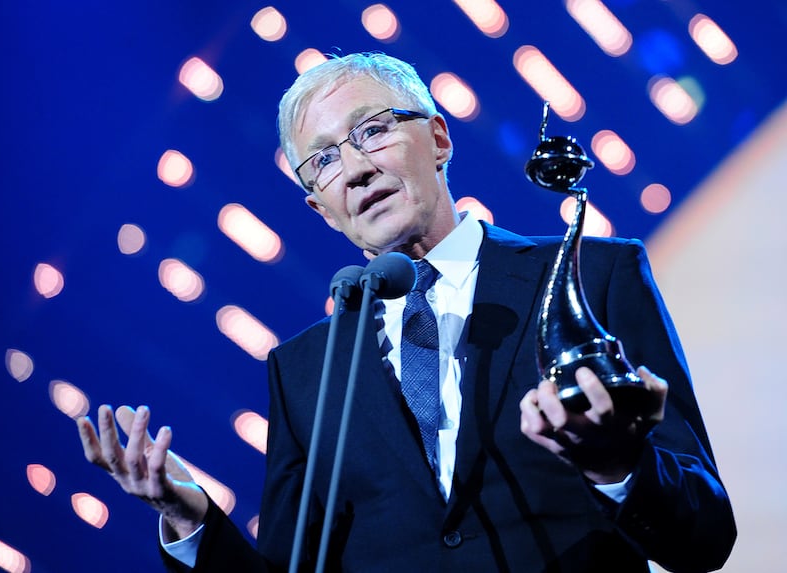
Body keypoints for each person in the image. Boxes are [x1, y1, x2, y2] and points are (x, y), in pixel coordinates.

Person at [77, 52, 736, 572]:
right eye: (324, 161)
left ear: (439, 139)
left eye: (371, 131)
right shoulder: (304, 370)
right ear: (320, 207)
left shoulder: (594, 274)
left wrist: (616, 465)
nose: (355, 170)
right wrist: (190, 518)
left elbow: (705, 534)